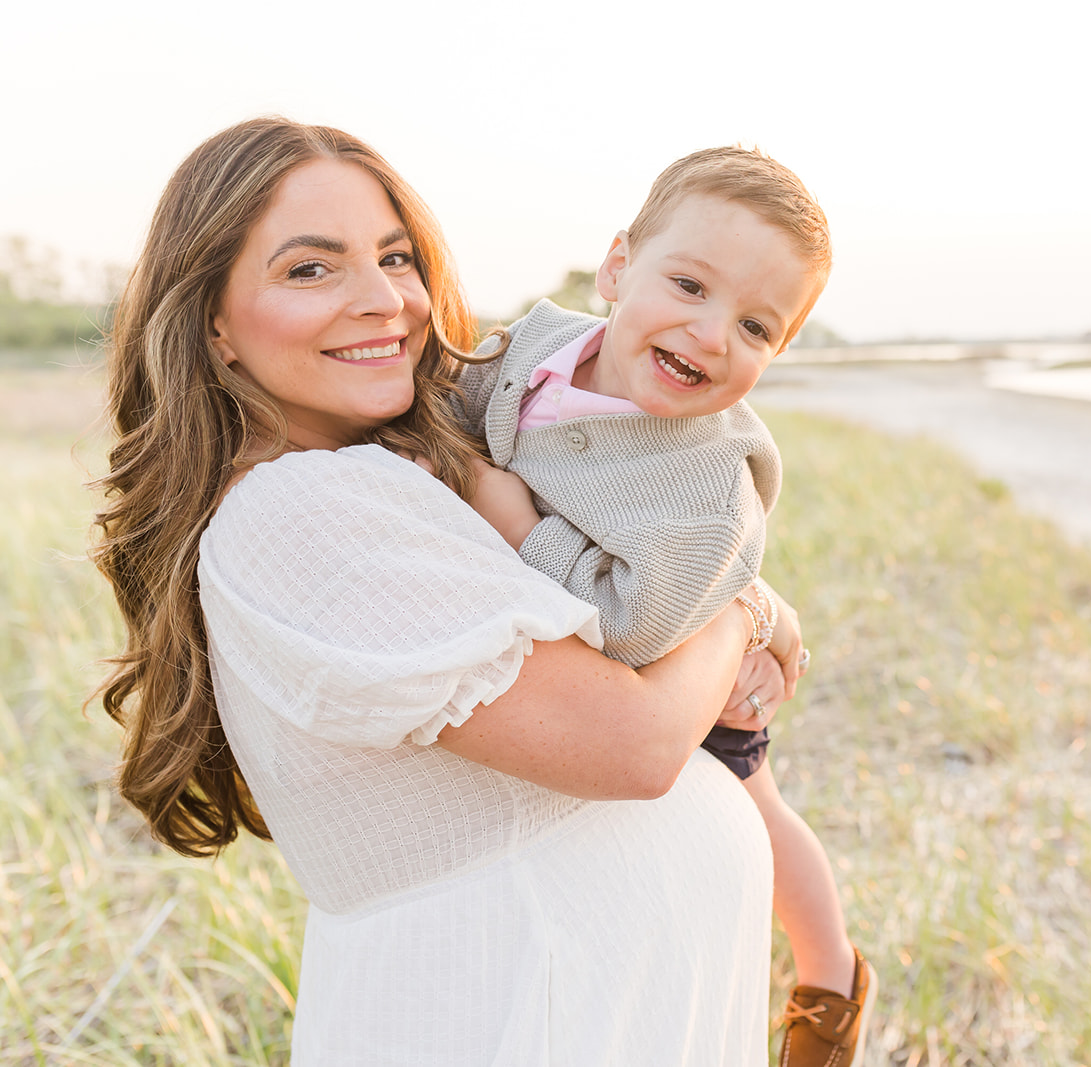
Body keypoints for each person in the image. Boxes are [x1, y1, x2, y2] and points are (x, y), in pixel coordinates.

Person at [89, 116, 800, 1066]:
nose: (382, 299)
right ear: (212, 321)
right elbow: (631, 745)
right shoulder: (299, 511)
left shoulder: (394, 470)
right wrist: (741, 605)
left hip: (578, 1005)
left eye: (395, 257)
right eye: (311, 269)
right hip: (505, 1012)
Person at [454, 146, 873, 1067]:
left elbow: (637, 631)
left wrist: (513, 519)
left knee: (757, 806)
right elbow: (448, 408)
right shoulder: (532, 347)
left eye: (757, 326)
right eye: (688, 285)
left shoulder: (709, 484)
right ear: (616, 267)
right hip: (579, 670)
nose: (713, 333)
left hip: (690, 666)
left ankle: (830, 977)